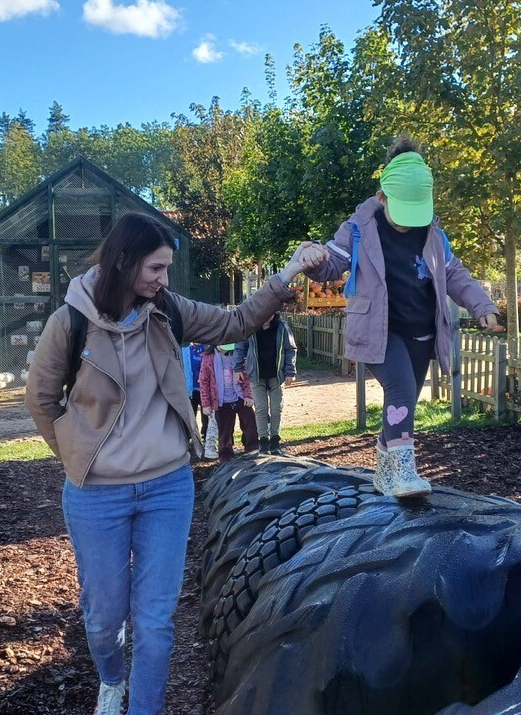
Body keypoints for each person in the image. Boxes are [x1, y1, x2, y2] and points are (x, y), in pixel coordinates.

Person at [25, 212, 325, 715]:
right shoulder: (70, 322)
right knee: (104, 613)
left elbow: (238, 321)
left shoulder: (167, 310)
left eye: (167, 269)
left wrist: (288, 273)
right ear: (123, 262)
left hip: (167, 486)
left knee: (156, 617)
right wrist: (76, 454)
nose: (164, 278)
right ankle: (111, 681)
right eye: (156, 267)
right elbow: (41, 398)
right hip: (96, 493)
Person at [306, 133, 502, 497]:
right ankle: (404, 472)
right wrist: (314, 260)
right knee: (400, 388)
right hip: (380, 330)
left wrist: (483, 306)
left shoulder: (433, 234)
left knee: (404, 404)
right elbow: (332, 263)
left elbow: (455, 274)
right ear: (382, 197)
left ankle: (384, 474)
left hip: (421, 333)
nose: (408, 223)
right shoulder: (359, 228)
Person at [232, 313, 297, 453]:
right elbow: (240, 347)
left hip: (276, 375)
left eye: (269, 314)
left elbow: (290, 349)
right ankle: (263, 441)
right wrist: (237, 368)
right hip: (257, 375)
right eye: (264, 313)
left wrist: (290, 372)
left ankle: (275, 441)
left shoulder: (282, 327)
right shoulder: (250, 328)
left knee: (276, 408)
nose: (266, 317)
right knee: (260, 408)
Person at [199, 342, 258, 462]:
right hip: (221, 401)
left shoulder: (237, 356)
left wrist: (248, 395)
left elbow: (246, 377)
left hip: (239, 397)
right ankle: (226, 456)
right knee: (224, 431)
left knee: (250, 423)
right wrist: (206, 404)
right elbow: (204, 382)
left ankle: (253, 449)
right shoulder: (208, 358)